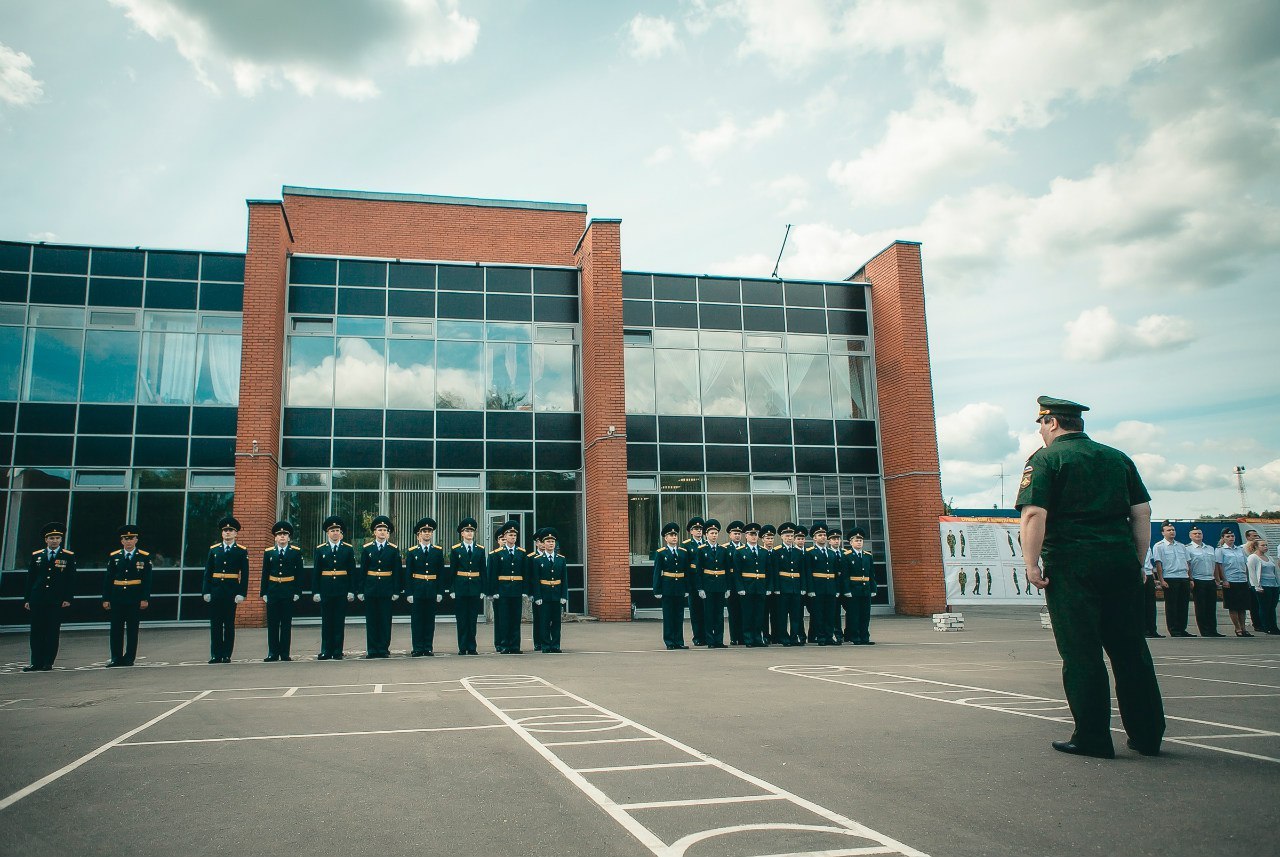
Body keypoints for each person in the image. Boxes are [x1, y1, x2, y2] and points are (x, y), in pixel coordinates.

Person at [1017, 395, 1164, 759]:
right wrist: (1136, 562)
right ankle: (1147, 735)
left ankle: (1094, 737)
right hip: (1121, 564)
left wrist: (1031, 563)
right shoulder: (1117, 457)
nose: (1040, 431)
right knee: (1131, 650)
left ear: (1051, 422)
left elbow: (1034, 514)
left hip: (1072, 566)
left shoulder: (1047, 459)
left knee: (1082, 653)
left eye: (1040, 424)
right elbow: (1142, 513)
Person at [23, 522, 76, 672]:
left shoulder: (67, 556)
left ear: (61, 540)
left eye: (57, 538)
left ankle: (48, 661)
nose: (54, 540)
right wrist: (27, 599)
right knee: (36, 631)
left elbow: (71, 579)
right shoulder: (37, 556)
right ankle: (36, 662)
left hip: (56, 600)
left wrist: (68, 598)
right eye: (51, 538)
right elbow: (31, 579)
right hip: (38, 598)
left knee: (52, 631)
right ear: (46, 540)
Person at [102, 524, 151, 667]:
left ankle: (129, 657)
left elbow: (147, 580)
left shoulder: (143, 557)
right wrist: (106, 598)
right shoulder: (115, 557)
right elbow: (108, 579)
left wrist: (144, 598)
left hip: (134, 598)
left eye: (131, 538)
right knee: (116, 629)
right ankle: (116, 657)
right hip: (117, 597)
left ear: (136, 540)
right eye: (125, 539)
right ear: (121, 541)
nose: (128, 542)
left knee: (132, 629)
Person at [202, 516, 249, 664]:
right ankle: (215, 654)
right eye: (225, 531)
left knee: (228, 624)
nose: (227, 533)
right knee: (215, 624)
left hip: (231, 591)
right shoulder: (214, 550)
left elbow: (245, 574)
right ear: (222, 533)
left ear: (236, 533)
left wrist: (241, 593)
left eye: (230, 530)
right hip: (216, 590)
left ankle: (226, 654)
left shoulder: (241, 551)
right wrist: (206, 591)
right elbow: (207, 572)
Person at [312, 515, 357, 660]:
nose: (335, 533)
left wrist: (351, 590)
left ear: (341, 532)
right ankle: (326, 650)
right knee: (327, 621)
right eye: (332, 530)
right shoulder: (320, 550)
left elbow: (352, 572)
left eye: (337, 530)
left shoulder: (348, 549)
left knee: (339, 621)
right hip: (326, 590)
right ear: (327, 533)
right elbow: (316, 572)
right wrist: (316, 591)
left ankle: (337, 650)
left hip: (341, 590)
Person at [359, 515, 402, 658]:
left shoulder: (393, 549)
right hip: (371, 588)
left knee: (385, 620)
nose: (382, 532)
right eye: (379, 529)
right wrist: (361, 590)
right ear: (374, 532)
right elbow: (363, 571)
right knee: (371, 620)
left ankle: (383, 648)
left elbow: (397, 571)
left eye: (385, 530)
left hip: (386, 588)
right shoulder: (367, 549)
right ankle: (372, 649)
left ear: (388, 533)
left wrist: (396, 590)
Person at [260, 521, 303, 662]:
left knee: (285, 624)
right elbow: (265, 573)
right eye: (279, 534)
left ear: (289, 537)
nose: (282, 537)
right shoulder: (269, 553)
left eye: (285, 534)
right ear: (275, 538)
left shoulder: (295, 552)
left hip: (288, 591)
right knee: (272, 624)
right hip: (273, 591)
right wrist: (264, 592)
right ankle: (272, 653)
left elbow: (299, 574)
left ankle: (284, 653)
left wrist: (297, 591)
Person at [404, 517, 446, 656]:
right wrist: (409, 593)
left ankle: (427, 647)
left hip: (432, 589)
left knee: (429, 620)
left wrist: (440, 591)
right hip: (417, 589)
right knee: (417, 620)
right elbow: (409, 573)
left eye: (429, 531)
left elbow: (440, 573)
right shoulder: (412, 551)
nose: (427, 534)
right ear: (419, 534)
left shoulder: (437, 551)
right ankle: (417, 647)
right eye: (424, 531)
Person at [488, 520, 529, 654]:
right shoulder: (496, 554)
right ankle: (504, 645)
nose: (512, 538)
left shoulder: (521, 553)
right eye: (510, 535)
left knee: (515, 619)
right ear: (504, 537)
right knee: (504, 619)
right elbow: (493, 574)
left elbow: (525, 573)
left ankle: (515, 645)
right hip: (503, 590)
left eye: (514, 536)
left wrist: (524, 590)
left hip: (516, 590)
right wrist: (493, 591)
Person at [652, 522, 691, 650]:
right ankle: (669, 641)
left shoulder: (683, 552)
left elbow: (687, 572)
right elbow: (657, 572)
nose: (674, 537)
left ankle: (679, 641)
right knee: (669, 616)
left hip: (679, 587)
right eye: (671, 535)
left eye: (675, 535)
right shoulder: (661, 553)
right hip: (667, 587)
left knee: (679, 616)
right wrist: (657, 589)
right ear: (666, 538)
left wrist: (687, 588)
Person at [450, 518, 485, 655]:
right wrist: (452, 589)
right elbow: (452, 571)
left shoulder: (480, 550)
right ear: (462, 533)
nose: (469, 533)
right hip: (461, 587)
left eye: (471, 531)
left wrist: (483, 589)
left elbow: (483, 570)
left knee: (472, 618)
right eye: (467, 531)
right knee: (462, 619)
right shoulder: (456, 550)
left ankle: (472, 646)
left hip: (475, 587)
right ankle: (462, 646)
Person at [530, 528, 569, 653]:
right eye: (548, 541)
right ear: (543, 543)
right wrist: (537, 596)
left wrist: (564, 595)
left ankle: (556, 644)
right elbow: (535, 580)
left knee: (556, 621)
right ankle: (546, 645)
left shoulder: (561, 559)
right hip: (544, 594)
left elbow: (564, 579)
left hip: (557, 594)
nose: (551, 544)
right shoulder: (538, 560)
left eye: (552, 541)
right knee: (544, 621)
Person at [1151, 521, 1193, 636]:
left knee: (1183, 605)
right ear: (1163, 532)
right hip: (1170, 577)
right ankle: (1174, 629)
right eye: (1168, 530)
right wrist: (1161, 580)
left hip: (1183, 577)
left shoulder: (1181, 546)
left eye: (1173, 530)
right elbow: (1158, 565)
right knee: (1172, 605)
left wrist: (1190, 578)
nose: (1172, 532)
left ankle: (1182, 628)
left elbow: (1187, 563)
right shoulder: (1159, 546)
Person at [695, 519, 732, 648]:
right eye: (711, 533)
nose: (714, 535)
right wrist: (700, 588)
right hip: (708, 586)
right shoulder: (701, 550)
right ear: (706, 534)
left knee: (719, 614)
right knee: (709, 614)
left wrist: (728, 587)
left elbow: (727, 570)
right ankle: (710, 640)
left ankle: (719, 640)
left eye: (716, 533)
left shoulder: (723, 550)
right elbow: (698, 570)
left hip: (720, 585)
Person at [733, 522, 770, 647]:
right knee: (747, 614)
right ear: (746, 536)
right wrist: (740, 588)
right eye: (751, 534)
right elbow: (737, 572)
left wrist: (768, 587)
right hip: (747, 587)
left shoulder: (764, 551)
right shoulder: (740, 551)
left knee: (759, 614)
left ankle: (757, 638)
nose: (754, 537)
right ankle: (748, 639)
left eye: (756, 534)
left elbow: (768, 571)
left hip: (760, 586)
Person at [805, 522, 840, 646]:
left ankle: (829, 636)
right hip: (817, 587)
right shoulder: (810, 552)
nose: (823, 537)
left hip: (830, 587)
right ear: (814, 538)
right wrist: (811, 589)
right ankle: (820, 637)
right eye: (820, 535)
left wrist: (836, 589)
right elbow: (808, 572)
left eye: (824, 535)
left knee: (830, 614)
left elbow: (835, 573)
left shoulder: (831, 553)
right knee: (818, 614)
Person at [1186, 525, 1224, 637]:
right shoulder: (1187, 548)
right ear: (1190, 536)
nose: (1198, 535)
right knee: (1201, 607)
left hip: (1210, 579)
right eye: (1195, 534)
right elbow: (1188, 565)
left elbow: (1215, 565)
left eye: (1199, 533)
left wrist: (1217, 579)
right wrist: (1190, 578)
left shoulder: (1210, 548)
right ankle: (1204, 630)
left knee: (1211, 606)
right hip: (1198, 580)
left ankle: (1213, 629)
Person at [774, 523, 806, 646]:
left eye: (791, 536)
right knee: (782, 615)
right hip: (783, 587)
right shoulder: (777, 552)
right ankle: (784, 637)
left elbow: (802, 571)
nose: (789, 538)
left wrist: (803, 587)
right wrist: (776, 588)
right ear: (782, 537)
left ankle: (794, 636)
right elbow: (775, 571)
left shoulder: (798, 552)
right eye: (786, 536)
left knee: (796, 615)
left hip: (795, 587)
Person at [1216, 529, 1252, 637]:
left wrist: (1248, 579)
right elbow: (1219, 566)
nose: (1231, 538)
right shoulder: (1220, 550)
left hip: (1242, 580)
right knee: (1233, 606)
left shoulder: (1240, 550)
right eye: (1228, 536)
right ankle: (1237, 628)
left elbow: (1245, 565)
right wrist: (1224, 580)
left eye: (1232, 536)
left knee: (1242, 606)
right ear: (1223, 538)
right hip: (1231, 581)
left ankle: (1243, 628)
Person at [843, 527, 876, 645]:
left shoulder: (868, 556)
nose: (859, 543)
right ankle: (855, 636)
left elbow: (871, 574)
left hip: (865, 588)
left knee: (865, 614)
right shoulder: (847, 556)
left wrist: (873, 588)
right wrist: (846, 590)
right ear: (851, 542)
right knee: (854, 614)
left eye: (860, 540)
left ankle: (864, 637)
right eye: (856, 541)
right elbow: (845, 575)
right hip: (853, 588)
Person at [682, 517, 708, 646]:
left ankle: (708, 635)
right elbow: (685, 566)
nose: (698, 531)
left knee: (707, 611)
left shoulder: (707, 543)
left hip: (706, 581)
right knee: (696, 611)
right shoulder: (686, 545)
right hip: (693, 583)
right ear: (691, 531)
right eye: (696, 529)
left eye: (700, 529)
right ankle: (698, 637)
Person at [1246, 538, 1279, 635]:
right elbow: (1252, 573)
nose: (1265, 547)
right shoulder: (1253, 557)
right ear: (1256, 546)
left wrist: (1278, 583)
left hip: (1273, 585)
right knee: (1264, 606)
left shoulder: (1270, 558)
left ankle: (1273, 626)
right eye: (1263, 545)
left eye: (1266, 545)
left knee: (1272, 607)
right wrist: (1257, 586)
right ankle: (1265, 626)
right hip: (1263, 585)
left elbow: (1275, 571)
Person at [725, 520, 746, 645]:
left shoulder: (745, 548)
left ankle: (743, 636)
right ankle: (734, 637)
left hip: (743, 583)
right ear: (730, 535)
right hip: (731, 583)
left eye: (739, 533)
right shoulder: (725, 549)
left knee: (744, 611)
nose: (737, 535)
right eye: (735, 533)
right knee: (733, 612)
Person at [1242, 530, 1263, 631]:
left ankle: (1262, 622)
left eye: (1257, 535)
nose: (1256, 537)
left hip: (1261, 579)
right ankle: (1255, 623)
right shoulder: (1242, 548)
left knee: (1261, 603)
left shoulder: (1261, 548)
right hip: (1248, 579)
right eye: (1254, 536)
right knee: (1253, 603)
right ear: (1247, 537)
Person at [1141, 546, 1162, 638]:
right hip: (1139, 574)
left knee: (1151, 605)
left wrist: (1153, 578)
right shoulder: (1131, 543)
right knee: (1141, 604)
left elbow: (1149, 562)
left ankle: (1152, 630)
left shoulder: (1147, 546)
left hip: (1149, 575)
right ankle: (1143, 630)